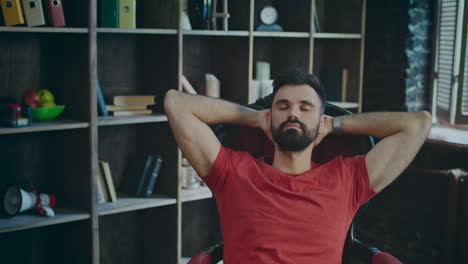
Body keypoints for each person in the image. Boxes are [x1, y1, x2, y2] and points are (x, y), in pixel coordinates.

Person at [164, 69, 432, 264]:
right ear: (270, 116)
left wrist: (337, 124)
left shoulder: (349, 178)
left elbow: (418, 123)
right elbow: (176, 103)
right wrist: (255, 117)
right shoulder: (232, 172)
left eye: (306, 108)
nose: (293, 113)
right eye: (283, 106)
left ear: (321, 120)